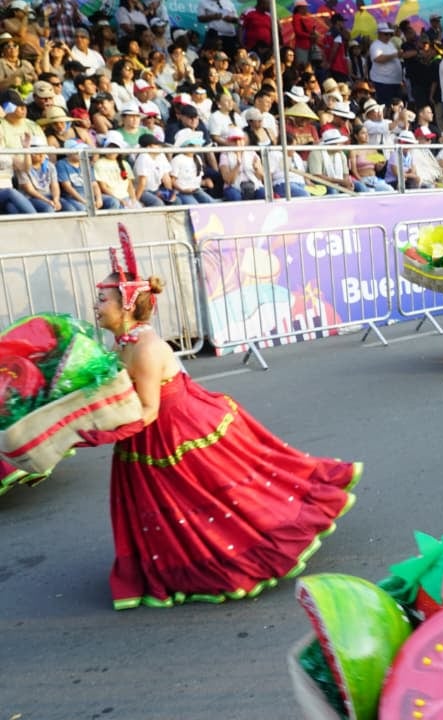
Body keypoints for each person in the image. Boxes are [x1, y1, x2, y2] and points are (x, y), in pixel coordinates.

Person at [75, 225, 361, 609]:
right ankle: (170, 564)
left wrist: (95, 431)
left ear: (126, 305)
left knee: (208, 501)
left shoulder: (144, 348)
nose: (97, 305)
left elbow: (147, 409)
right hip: (149, 435)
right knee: (164, 508)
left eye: (103, 299)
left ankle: (242, 553)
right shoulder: (123, 342)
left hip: (173, 432)